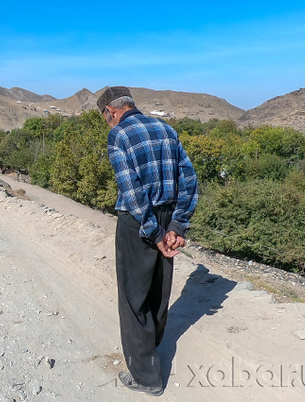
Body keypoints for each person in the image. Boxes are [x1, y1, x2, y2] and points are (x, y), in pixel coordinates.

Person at [97, 86, 198, 396]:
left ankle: (145, 376)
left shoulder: (119, 136)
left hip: (138, 223)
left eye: (105, 119)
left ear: (111, 112)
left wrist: (154, 234)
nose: (108, 124)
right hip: (168, 218)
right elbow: (189, 179)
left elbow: (132, 191)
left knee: (133, 297)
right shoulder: (167, 129)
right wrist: (177, 225)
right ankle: (151, 350)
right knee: (158, 290)